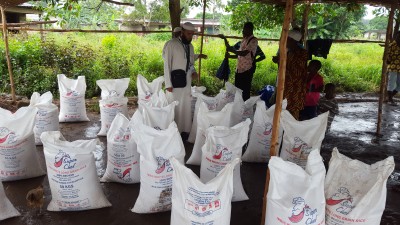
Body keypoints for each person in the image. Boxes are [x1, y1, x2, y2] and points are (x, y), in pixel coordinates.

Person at [162, 22, 198, 137]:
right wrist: (168, 83)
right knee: (174, 105)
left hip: (186, 82)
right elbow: (166, 64)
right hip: (174, 82)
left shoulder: (190, 46)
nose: (190, 36)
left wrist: (193, 71)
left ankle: (184, 131)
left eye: (192, 34)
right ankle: (172, 131)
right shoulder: (171, 44)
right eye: (188, 34)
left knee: (185, 105)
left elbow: (190, 63)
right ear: (182, 32)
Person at [272, 29, 308, 120]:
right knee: (284, 112)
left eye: (287, 39)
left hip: (295, 91)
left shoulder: (302, 53)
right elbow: (283, 69)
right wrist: (278, 61)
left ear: (292, 41)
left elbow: (295, 73)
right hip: (287, 88)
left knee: (292, 115)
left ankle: (291, 132)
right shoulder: (289, 52)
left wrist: (281, 61)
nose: (285, 41)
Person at [219, 22, 258, 101]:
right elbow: (239, 55)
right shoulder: (244, 39)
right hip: (239, 69)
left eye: (244, 29)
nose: (243, 31)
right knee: (238, 90)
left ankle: (245, 109)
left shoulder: (253, 40)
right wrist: (225, 40)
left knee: (245, 91)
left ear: (250, 29)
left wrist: (232, 50)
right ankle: (239, 106)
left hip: (247, 69)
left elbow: (244, 53)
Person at [386, 33, 400, 105]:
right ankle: (390, 99)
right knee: (391, 83)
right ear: (397, 37)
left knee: (399, 85)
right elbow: (387, 57)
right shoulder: (392, 45)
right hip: (393, 67)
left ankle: (389, 97)